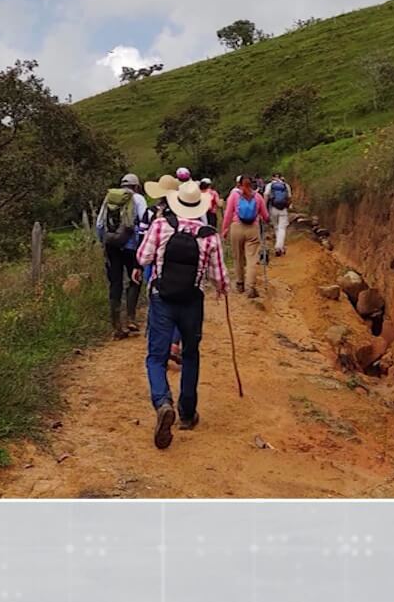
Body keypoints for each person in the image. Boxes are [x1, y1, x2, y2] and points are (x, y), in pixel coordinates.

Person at [134, 177, 228, 449]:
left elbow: (143, 257)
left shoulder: (162, 225)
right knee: (190, 355)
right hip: (192, 302)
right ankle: (187, 413)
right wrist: (223, 290)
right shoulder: (209, 235)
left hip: (162, 299)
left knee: (156, 356)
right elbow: (219, 277)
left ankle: (163, 402)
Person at [95, 173, 148, 337]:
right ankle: (131, 318)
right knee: (134, 279)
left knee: (115, 282)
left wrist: (104, 241)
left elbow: (99, 224)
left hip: (111, 246)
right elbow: (144, 223)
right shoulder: (138, 199)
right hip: (131, 246)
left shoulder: (109, 198)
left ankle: (116, 325)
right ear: (136, 186)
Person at [220, 175, 270, 297]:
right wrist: (265, 221)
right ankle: (250, 287)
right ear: (253, 184)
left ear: (240, 184)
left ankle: (240, 284)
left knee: (238, 258)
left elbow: (227, 214)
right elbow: (265, 216)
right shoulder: (258, 197)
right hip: (252, 229)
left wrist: (224, 229)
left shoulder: (234, 196)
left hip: (236, 227)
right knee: (252, 259)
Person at [264, 172, 293, 256]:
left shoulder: (269, 185)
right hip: (283, 209)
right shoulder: (286, 185)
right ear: (281, 177)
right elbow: (289, 198)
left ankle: (279, 246)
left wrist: (264, 209)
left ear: (272, 177)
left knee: (276, 227)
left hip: (273, 209)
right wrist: (287, 206)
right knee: (282, 228)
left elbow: (265, 197)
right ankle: (279, 247)